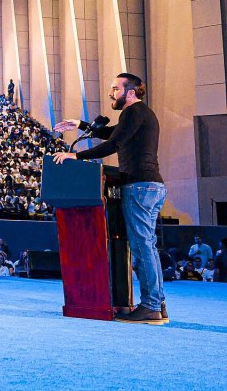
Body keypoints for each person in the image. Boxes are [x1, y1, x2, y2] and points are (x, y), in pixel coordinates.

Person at [54, 73, 167, 324]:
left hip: (139, 186)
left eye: (115, 88)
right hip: (150, 186)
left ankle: (150, 306)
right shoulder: (139, 114)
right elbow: (109, 133)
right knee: (147, 246)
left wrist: (76, 157)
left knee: (141, 248)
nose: (111, 93)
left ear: (131, 92)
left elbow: (113, 144)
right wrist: (82, 124)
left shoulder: (133, 112)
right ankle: (157, 304)